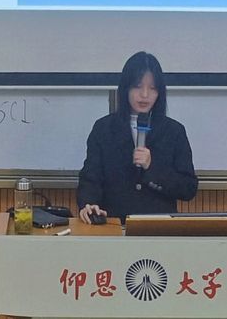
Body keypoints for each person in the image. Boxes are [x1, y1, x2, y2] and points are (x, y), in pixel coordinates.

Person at [77, 51, 198, 223]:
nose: (145, 95)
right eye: (137, 86)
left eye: (152, 88)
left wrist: (152, 167)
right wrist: (89, 204)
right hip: (114, 226)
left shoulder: (174, 131)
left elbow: (188, 188)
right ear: (125, 88)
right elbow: (90, 178)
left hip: (159, 227)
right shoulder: (104, 128)